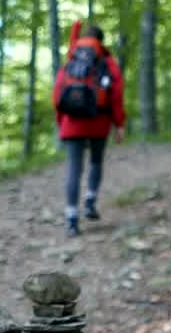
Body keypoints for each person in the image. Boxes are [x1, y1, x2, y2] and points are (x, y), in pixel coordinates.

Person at [52, 21, 126, 237]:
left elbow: (57, 94)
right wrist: (119, 124)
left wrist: (61, 122)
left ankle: (71, 218)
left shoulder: (72, 59)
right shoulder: (107, 62)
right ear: (101, 41)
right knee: (96, 161)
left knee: (74, 168)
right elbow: (116, 95)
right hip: (98, 120)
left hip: (71, 121)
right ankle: (90, 201)